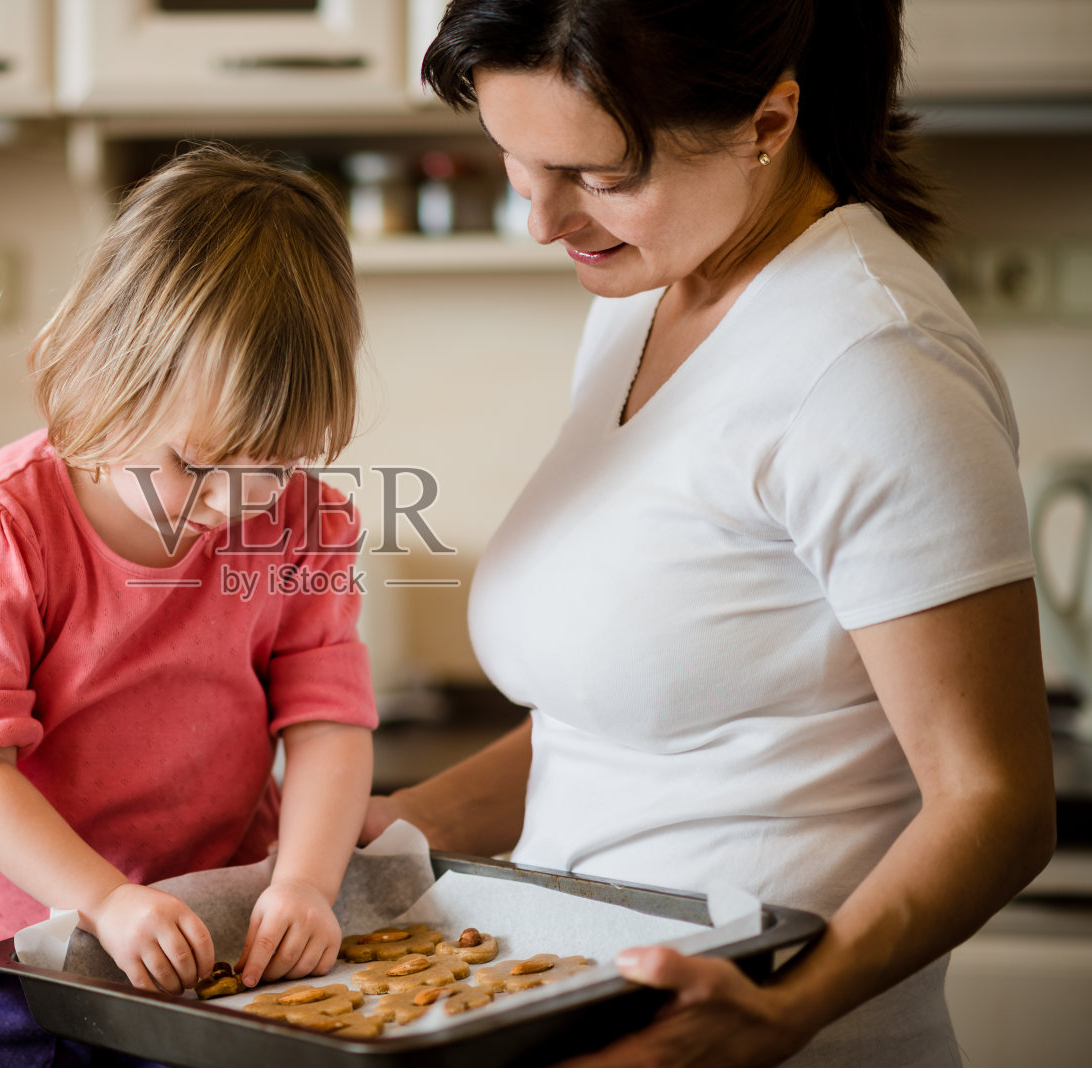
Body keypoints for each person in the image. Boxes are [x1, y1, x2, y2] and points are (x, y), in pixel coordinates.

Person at [364, 2, 1057, 1066]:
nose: (544, 219)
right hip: (563, 1007)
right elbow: (624, 725)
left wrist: (784, 1013)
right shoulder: (641, 298)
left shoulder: (871, 367)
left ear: (767, 123)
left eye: (597, 175)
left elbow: (995, 804)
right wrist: (384, 835)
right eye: (516, 158)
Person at [0, 144, 377, 1067]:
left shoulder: (311, 524)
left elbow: (327, 723)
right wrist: (106, 900)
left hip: (209, 927)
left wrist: (308, 883)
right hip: (5, 954)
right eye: (196, 465)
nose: (235, 505)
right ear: (106, 373)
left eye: (272, 468)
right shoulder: (1, 524)